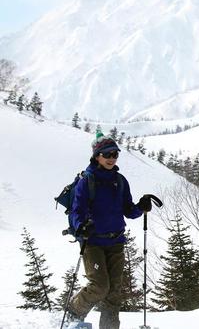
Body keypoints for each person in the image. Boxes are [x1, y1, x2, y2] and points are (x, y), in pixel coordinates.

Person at [66, 132, 153, 329]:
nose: (112, 158)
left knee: (114, 293)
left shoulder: (120, 181)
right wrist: (81, 226)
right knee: (99, 287)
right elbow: (76, 211)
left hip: (116, 242)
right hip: (93, 242)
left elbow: (129, 211)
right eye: (107, 154)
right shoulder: (86, 181)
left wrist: (141, 206)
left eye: (115, 154)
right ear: (97, 156)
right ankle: (73, 312)